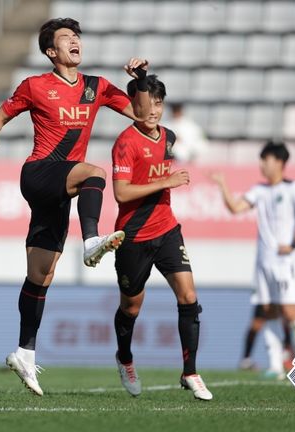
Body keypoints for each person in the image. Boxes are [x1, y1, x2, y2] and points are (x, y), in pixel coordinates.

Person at [0, 17, 151, 396]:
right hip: (40, 173)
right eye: (66, 38)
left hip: (60, 189)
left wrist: (138, 81)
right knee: (95, 172)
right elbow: (2, 114)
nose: (75, 41)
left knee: (41, 276)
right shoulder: (35, 86)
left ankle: (24, 351)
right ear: (51, 52)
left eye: (77, 36)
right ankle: (91, 239)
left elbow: (140, 114)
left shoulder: (97, 86)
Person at [110, 75, 212, 401]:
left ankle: (190, 372)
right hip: (134, 237)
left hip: (167, 230)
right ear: (134, 105)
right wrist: (165, 182)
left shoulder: (169, 137)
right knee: (131, 307)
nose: (152, 109)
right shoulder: (125, 143)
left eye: (158, 102)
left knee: (188, 296)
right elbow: (121, 192)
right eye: (145, 102)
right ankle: (124, 358)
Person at [211, 141, 295, 379]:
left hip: (283, 262)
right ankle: (276, 365)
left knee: (290, 312)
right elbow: (236, 208)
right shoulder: (260, 190)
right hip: (263, 263)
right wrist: (223, 184)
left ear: (279, 162)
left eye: (265, 160)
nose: (262, 165)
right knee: (269, 311)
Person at [239, 220, 295, 371]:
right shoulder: (269, 230)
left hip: (285, 279)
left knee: (291, 316)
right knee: (258, 321)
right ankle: (248, 359)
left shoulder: (292, 235)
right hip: (266, 280)